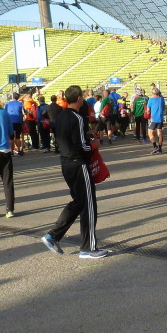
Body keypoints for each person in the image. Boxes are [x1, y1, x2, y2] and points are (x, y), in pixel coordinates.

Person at [41, 85, 107, 259]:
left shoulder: (62, 115)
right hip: (78, 163)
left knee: (79, 202)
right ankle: (88, 248)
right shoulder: (77, 117)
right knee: (89, 205)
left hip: (66, 163)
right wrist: (94, 144)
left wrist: (85, 134)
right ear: (79, 99)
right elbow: (81, 146)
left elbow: (68, 138)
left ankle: (53, 235)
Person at [147, 88, 165, 155]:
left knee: (150, 132)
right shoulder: (161, 99)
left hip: (154, 118)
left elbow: (148, 110)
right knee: (159, 133)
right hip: (160, 118)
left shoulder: (151, 100)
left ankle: (155, 146)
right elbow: (163, 108)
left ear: (153, 94)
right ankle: (160, 148)